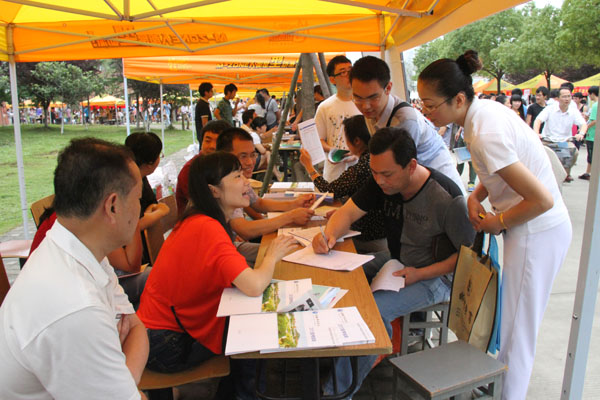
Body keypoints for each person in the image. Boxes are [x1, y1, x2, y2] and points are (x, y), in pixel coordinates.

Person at [417, 50, 572, 400]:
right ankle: (501, 385)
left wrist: (496, 222)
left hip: (537, 232)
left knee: (519, 331)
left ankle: (509, 395)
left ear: (458, 99)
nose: (425, 112)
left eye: (430, 105)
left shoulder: (484, 131)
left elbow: (541, 200)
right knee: (513, 322)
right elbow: (501, 170)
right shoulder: (481, 115)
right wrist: (476, 196)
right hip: (530, 229)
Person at [314, 128, 475, 397]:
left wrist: (421, 273)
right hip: (397, 260)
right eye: (375, 173)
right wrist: (328, 236)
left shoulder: (446, 198)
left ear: (411, 166)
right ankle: (335, 353)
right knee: (339, 271)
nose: (379, 181)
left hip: (436, 277)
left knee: (373, 312)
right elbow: (347, 213)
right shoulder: (381, 181)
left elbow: (467, 256)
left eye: (387, 174)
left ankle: (337, 392)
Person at [137, 152, 298, 398]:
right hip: (168, 344)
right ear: (214, 191)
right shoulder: (207, 227)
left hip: (156, 334)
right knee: (254, 331)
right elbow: (254, 285)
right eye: (237, 176)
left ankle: (237, 390)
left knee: (251, 320)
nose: (246, 181)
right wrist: (272, 255)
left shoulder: (200, 220)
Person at [0, 138, 149, 399]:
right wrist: (122, 382)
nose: (140, 209)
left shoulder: (78, 248)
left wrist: (122, 378)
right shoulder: (75, 306)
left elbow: (136, 328)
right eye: (138, 199)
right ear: (113, 206)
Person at [350, 55, 465, 194]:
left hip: (440, 187)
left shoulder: (404, 120)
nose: (365, 106)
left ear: (388, 88)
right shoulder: (371, 113)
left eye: (373, 97)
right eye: (358, 98)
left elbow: (397, 170)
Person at [299, 115, 387, 253]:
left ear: (356, 141)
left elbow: (329, 191)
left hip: (368, 237)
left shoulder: (363, 167)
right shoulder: (371, 161)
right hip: (377, 232)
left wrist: (309, 167)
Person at [216, 128, 315, 245]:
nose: (250, 162)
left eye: (253, 155)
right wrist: (290, 217)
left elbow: (258, 203)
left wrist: (294, 204)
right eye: (243, 156)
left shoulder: (241, 179)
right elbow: (244, 230)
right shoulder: (225, 185)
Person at [315, 55, 361, 181]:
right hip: (334, 173)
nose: (349, 75)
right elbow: (319, 139)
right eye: (343, 72)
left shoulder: (364, 103)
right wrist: (335, 152)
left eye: (351, 70)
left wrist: (358, 153)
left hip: (361, 172)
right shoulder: (325, 107)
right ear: (332, 79)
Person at [176, 120, 231, 215]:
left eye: (217, 141)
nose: (212, 146)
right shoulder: (191, 169)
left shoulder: (223, 164)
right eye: (207, 141)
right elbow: (204, 207)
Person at [534, 86, 587, 182]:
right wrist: (537, 133)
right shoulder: (549, 109)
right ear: (558, 98)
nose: (567, 99)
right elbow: (538, 120)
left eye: (569, 96)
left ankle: (565, 173)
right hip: (548, 140)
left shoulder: (573, 111)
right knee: (539, 154)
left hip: (564, 141)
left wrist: (581, 133)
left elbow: (583, 124)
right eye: (564, 96)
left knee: (574, 152)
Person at [579, 86, 598, 180]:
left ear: (592, 94)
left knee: (591, 155)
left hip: (592, 134)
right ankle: (588, 172)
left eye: (589, 94)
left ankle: (590, 173)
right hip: (594, 134)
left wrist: (585, 128)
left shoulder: (595, 105)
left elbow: (594, 120)